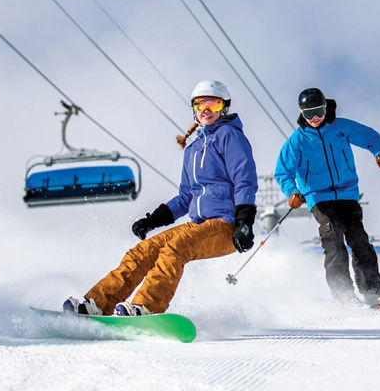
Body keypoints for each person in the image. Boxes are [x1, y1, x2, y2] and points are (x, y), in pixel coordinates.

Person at [64, 80, 258, 316]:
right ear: (194, 109)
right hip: (198, 226)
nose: (206, 110)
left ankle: (146, 306)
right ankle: (97, 303)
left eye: (213, 104)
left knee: (177, 246)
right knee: (142, 251)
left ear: (224, 108)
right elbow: (186, 196)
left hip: (226, 225)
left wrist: (244, 222)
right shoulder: (193, 149)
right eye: (201, 104)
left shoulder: (230, 136)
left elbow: (244, 180)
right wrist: (153, 220)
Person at [274, 88, 380, 307]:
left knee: (359, 240)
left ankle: (372, 290)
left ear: (326, 107)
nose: (315, 118)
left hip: (347, 193)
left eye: (318, 111)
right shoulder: (297, 141)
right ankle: (343, 292)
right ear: (301, 113)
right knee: (334, 237)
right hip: (319, 197)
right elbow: (283, 172)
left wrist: (379, 153)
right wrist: (292, 192)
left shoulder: (341, 128)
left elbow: (370, 136)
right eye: (309, 114)